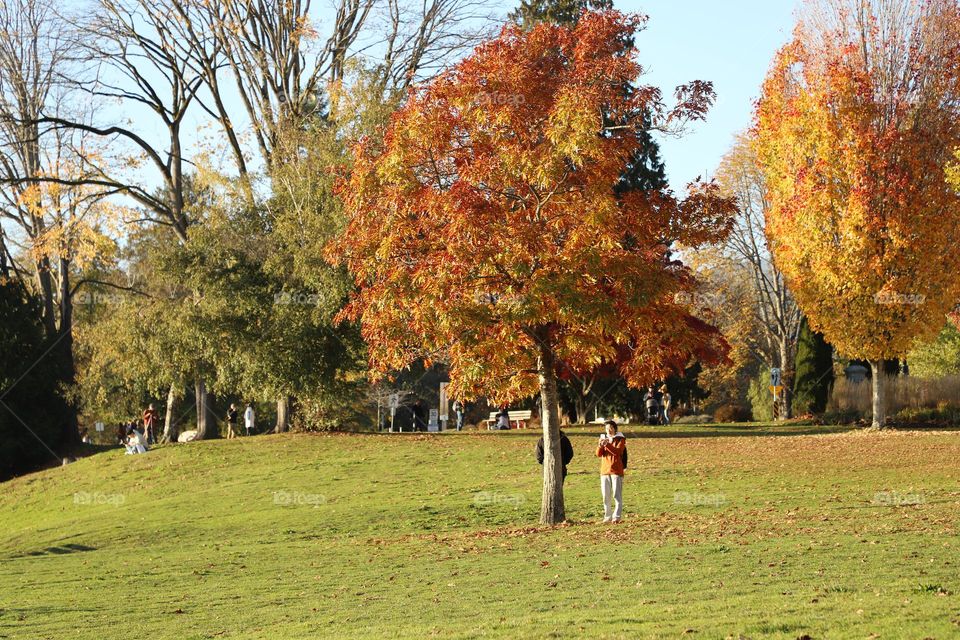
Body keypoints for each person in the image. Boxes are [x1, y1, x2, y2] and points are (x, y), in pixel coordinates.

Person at [596, 420, 626, 523]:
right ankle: (607, 516)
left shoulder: (621, 439)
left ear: (615, 429)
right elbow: (598, 454)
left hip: (616, 470)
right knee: (606, 496)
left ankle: (616, 517)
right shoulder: (604, 439)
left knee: (616, 495)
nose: (609, 430)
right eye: (607, 428)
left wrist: (607, 445)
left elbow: (617, 452)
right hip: (604, 471)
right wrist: (600, 445)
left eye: (611, 428)